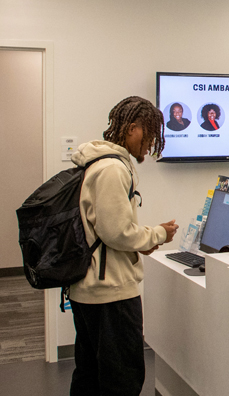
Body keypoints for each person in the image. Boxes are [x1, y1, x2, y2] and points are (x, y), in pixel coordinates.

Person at [69, 96, 179, 396]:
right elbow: (116, 232)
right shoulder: (112, 169)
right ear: (132, 129)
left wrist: (142, 239)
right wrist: (156, 234)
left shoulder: (98, 161)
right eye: (150, 134)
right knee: (123, 377)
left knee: (90, 373)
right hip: (110, 291)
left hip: (91, 287)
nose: (151, 143)